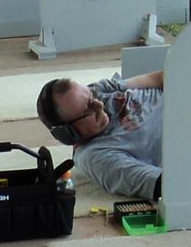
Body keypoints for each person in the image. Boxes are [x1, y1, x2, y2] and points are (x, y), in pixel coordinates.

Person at [36, 68, 164, 200]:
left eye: (91, 96)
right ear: (69, 133)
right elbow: (163, 184)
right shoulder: (95, 157)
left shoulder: (96, 91)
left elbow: (160, 77)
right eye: (88, 109)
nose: (100, 104)